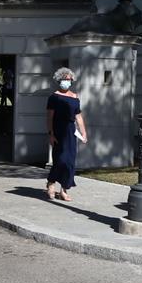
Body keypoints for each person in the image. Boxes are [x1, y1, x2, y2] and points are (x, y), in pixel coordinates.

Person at [46, 67, 87, 201]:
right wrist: (51, 134)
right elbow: (50, 117)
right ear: (59, 80)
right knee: (60, 160)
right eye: (64, 79)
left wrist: (83, 132)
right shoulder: (54, 97)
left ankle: (64, 190)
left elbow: (78, 117)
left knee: (70, 162)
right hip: (58, 130)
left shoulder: (75, 97)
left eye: (69, 80)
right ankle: (51, 183)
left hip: (70, 131)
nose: (67, 82)